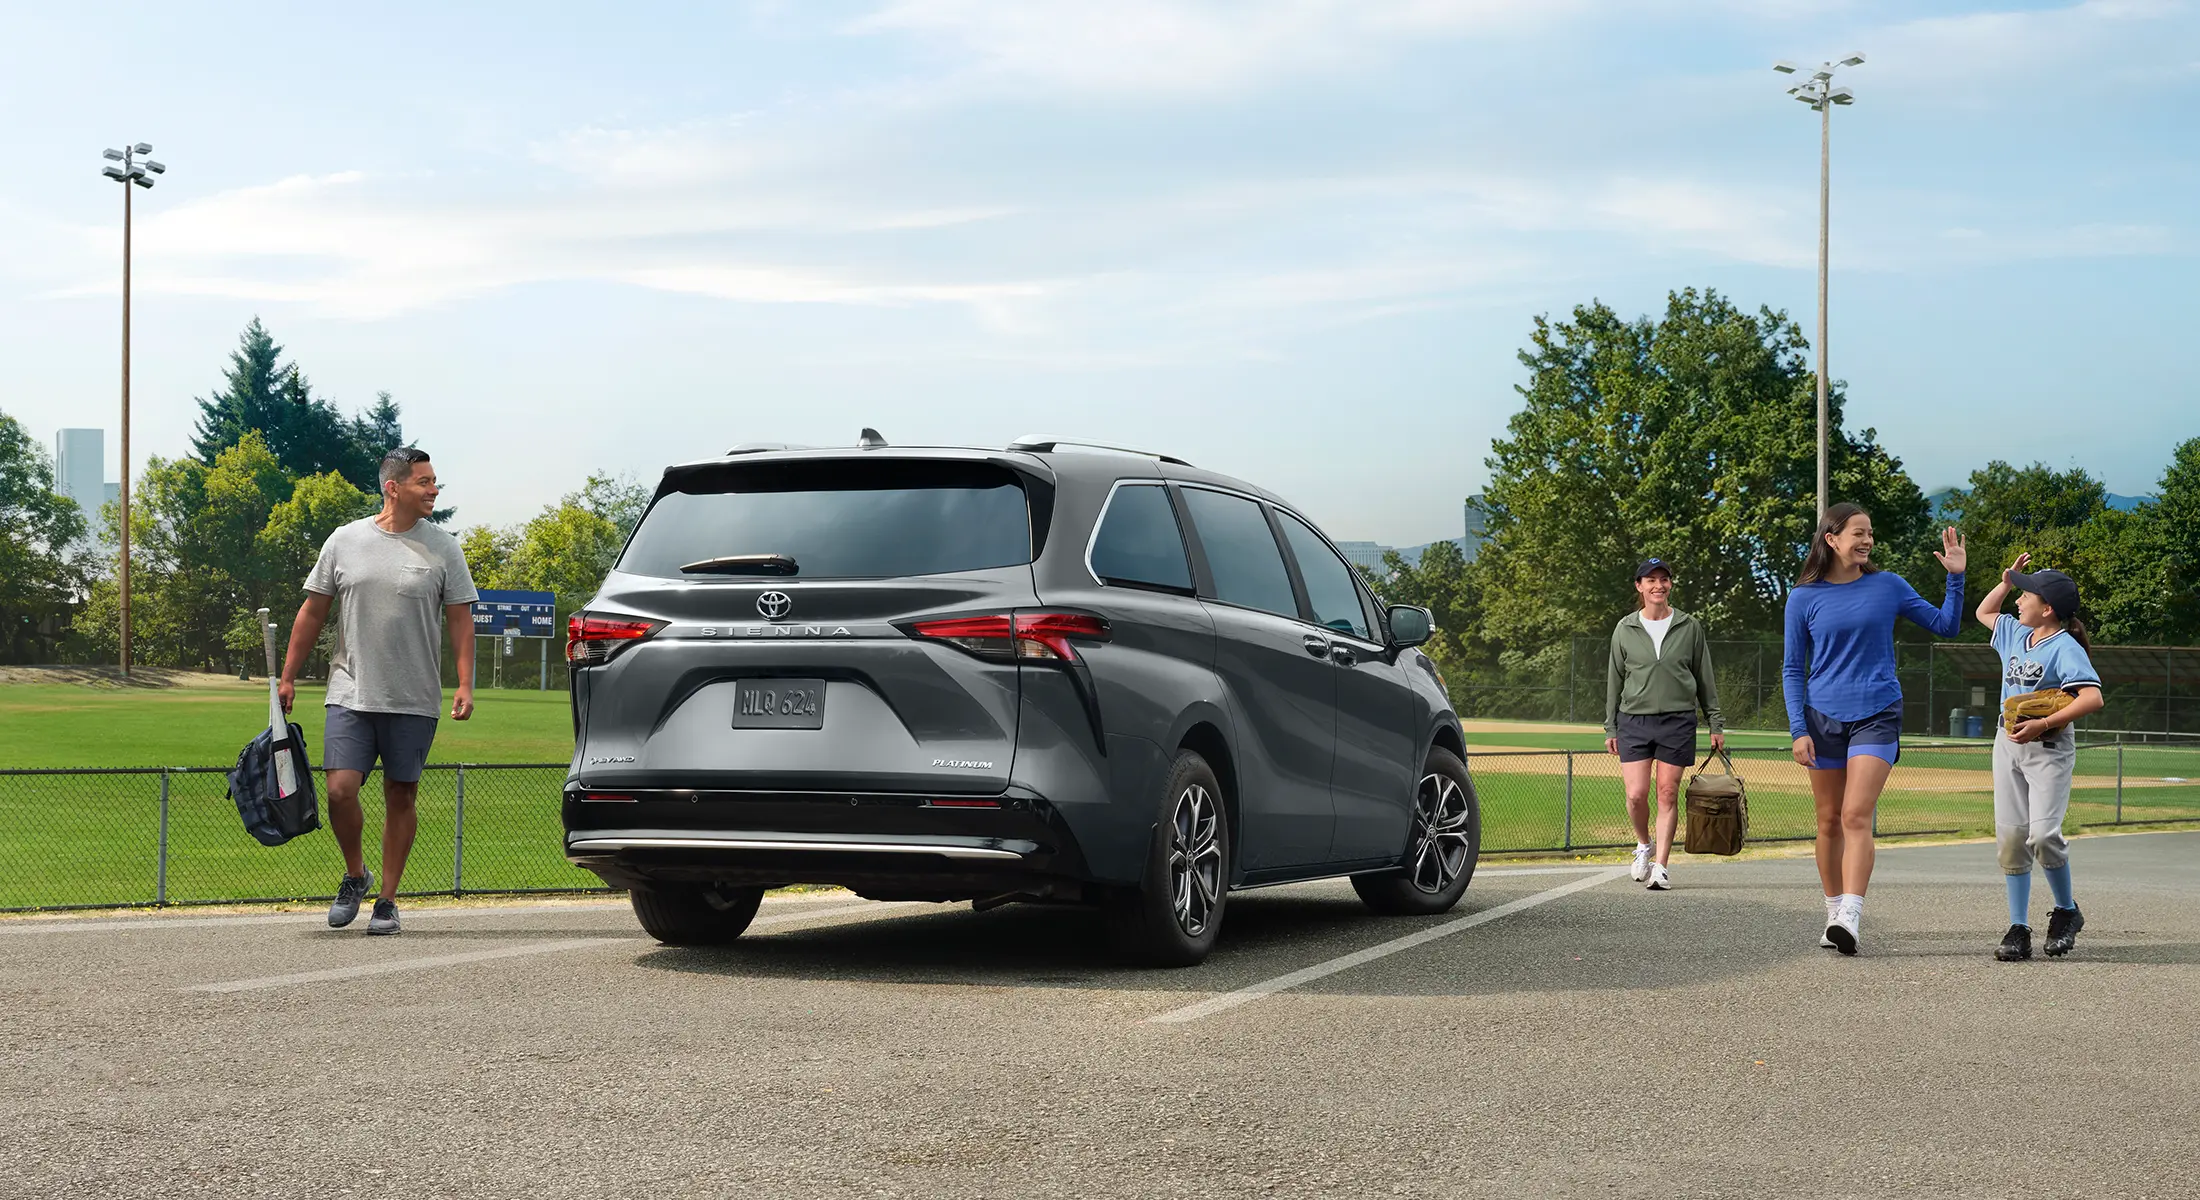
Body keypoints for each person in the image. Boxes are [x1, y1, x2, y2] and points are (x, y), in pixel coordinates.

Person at [278, 447, 477, 936]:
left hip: (414, 696)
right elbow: (312, 612)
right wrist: (287, 675)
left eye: (435, 481)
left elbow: (460, 619)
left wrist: (466, 683)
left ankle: (386, 900)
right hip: (350, 691)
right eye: (424, 481)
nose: (433, 489)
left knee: (401, 795)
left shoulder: (444, 548)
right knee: (340, 791)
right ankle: (355, 875)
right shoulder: (344, 541)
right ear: (394, 487)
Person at [1782, 503, 1966, 955]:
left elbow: (1946, 625)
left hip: (1877, 713)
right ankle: (1832, 912)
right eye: (1858, 533)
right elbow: (1792, 668)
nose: (1866, 541)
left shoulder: (1889, 586)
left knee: (1855, 814)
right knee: (1827, 822)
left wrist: (1956, 577)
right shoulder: (1802, 597)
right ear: (1832, 539)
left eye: (1870, 534)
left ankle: (1851, 914)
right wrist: (1797, 729)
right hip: (1821, 718)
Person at [1973, 555, 2103, 961]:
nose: (2018, 601)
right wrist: (2008, 581)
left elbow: (2093, 697)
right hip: (2007, 742)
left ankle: (2066, 911)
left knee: (2044, 836)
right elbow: (1985, 611)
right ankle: (2018, 927)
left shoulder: (2063, 646)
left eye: (2026, 595)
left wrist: (2046, 722)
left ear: (2047, 608)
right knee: (2012, 838)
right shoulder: (2014, 632)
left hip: (2046, 748)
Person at [1603, 558, 1725, 891]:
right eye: (1651, 580)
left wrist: (1716, 722)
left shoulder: (1690, 627)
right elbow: (1614, 680)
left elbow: (1705, 679)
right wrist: (1610, 727)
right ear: (1639, 586)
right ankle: (1644, 845)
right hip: (1633, 720)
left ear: (1671, 585)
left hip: (1677, 720)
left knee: (1667, 792)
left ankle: (1662, 866)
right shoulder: (1624, 628)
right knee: (1636, 794)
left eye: (1664, 579)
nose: (1659, 585)